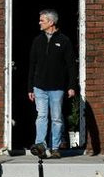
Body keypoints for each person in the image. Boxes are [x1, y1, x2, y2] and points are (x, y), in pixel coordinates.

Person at [27, 9, 77, 159]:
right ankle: (40, 146)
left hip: (57, 87)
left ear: (51, 22)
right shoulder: (37, 40)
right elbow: (32, 65)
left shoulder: (64, 41)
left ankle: (55, 147)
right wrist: (30, 87)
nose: (39, 23)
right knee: (41, 116)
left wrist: (71, 85)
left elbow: (71, 66)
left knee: (56, 118)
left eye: (42, 20)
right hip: (39, 86)